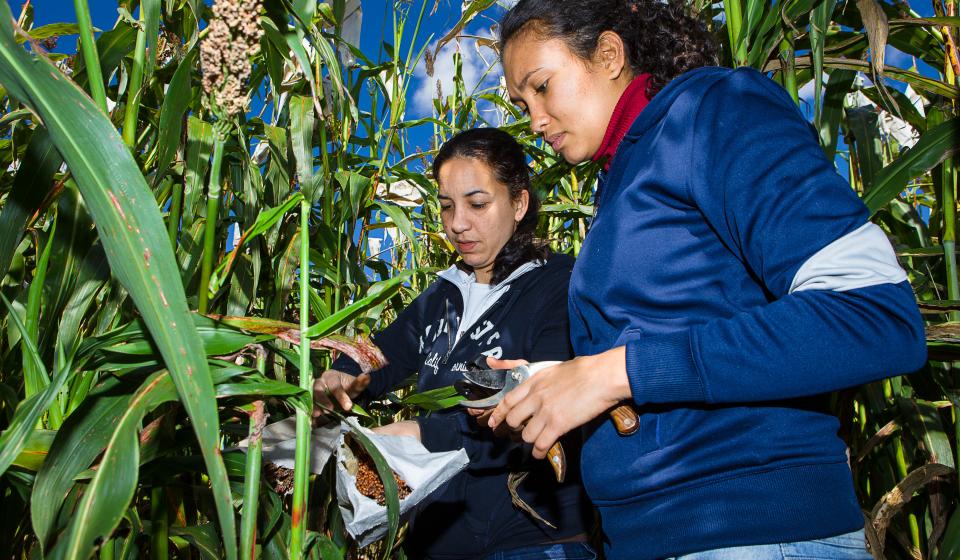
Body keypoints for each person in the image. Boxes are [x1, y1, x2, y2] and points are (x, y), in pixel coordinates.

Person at [484, 1, 928, 559]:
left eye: (542, 87)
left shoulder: (714, 109)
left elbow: (873, 315)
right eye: (522, 104)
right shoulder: (621, 178)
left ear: (610, 54)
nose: (535, 121)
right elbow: (677, 331)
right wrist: (563, 380)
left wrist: (614, 372)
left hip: (751, 534)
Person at [313, 127, 595, 559]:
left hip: (529, 541)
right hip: (439, 545)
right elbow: (381, 353)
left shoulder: (560, 285)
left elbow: (540, 406)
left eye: (477, 204)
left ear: (519, 203)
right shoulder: (442, 296)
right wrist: (344, 373)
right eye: (446, 206)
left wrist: (422, 433)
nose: (457, 223)